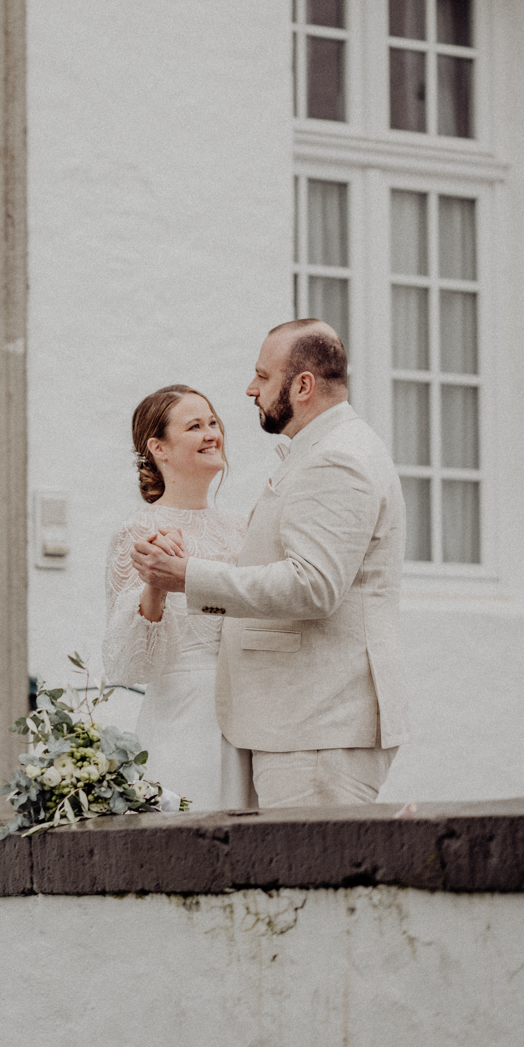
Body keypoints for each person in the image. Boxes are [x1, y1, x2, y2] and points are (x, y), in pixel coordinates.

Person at [131, 320, 410, 810]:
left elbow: (313, 585)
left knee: (311, 881)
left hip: (319, 728)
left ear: (301, 386)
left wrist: (187, 576)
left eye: (263, 376)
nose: (250, 389)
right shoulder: (327, 450)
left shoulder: (335, 459)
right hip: (295, 725)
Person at [102, 385, 254, 811]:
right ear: (159, 448)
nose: (212, 434)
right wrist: (156, 583)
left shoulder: (244, 528)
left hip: (249, 715)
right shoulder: (138, 531)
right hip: (182, 718)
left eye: (212, 423)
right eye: (194, 426)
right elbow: (132, 661)